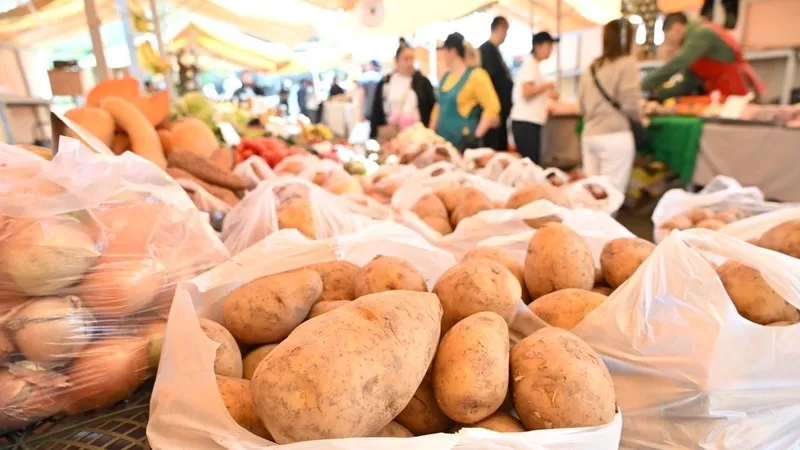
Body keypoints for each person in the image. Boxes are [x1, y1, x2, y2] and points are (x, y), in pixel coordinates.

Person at [578, 19, 643, 193]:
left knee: (590, 197)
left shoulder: (592, 67)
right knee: (610, 197)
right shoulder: (627, 63)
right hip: (615, 135)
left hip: (589, 135)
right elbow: (631, 104)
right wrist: (642, 118)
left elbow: (581, 106)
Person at [641, 12, 764, 100]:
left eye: (669, 37)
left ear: (676, 28)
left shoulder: (701, 33)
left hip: (735, 89)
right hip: (720, 92)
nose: (673, 45)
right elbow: (689, 81)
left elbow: (677, 63)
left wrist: (642, 85)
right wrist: (656, 95)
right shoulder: (694, 40)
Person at [430, 33, 500, 150]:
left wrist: (476, 137)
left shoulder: (476, 75)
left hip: (464, 142)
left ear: (452, 51)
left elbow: (492, 108)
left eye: (444, 51)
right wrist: (430, 135)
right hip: (442, 143)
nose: (443, 56)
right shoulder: (445, 77)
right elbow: (438, 107)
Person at [369, 40, 436, 140]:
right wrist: (373, 133)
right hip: (393, 134)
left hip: (417, 136)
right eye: (406, 59)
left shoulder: (423, 82)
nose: (409, 62)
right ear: (397, 60)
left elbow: (432, 108)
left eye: (412, 58)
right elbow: (376, 109)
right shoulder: (386, 82)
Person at [510, 32, 558, 165]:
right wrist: (547, 86)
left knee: (530, 165)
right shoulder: (530, 65)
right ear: (538, 46)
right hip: (526, 123)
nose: (550, 50)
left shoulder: (534, 66)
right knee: (530, 166)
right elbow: (527, 92)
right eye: (548, 46)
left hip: (529, 123)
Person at [479, 16, 513, 151]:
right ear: (500, 28)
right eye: (506, 31)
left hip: (501, 114)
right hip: (494, 116)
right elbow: (490, 85)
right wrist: (494, 112)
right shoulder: (486, 51)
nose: (506, 35)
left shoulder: (495, 51)